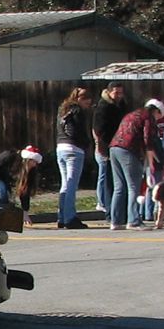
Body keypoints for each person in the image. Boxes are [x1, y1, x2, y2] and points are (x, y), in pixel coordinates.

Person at [108, 98, 164, 230]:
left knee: (119, 187)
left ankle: (115, 220)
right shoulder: (148, 117)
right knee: (133, 186)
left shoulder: (132, 114)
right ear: (156, 111)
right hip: (129, 150)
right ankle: (133, 220)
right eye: (159, 116)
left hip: (114, 148)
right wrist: (151, 163)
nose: (158, 119)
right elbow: (148, 139)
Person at [55, 88, 93, 228]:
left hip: (61, 147)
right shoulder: (77, 111)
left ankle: (61, 216)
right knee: (72, 185)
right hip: (74, 149)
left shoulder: (62, 109)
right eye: (86, 100)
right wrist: (85, 143)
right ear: (79, 99)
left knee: (65, 184)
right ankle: (70, 217)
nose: (88, 103)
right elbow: (73, 131)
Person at [92, 81, 128, 225]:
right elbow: (99, 131)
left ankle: (120, 213)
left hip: (121, 146)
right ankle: (110, 213)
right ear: (109, 92)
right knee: (109, 183)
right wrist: (104, 149)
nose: (119, 95)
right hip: (108, 148)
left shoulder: (122, 105)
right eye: (116, 92)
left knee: (120, 182)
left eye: (120, 92)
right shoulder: (103, 107)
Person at [0, 145, 41, 213]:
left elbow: (24, 190)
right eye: (33, 162)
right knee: (2, 190)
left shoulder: (29, 171)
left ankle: (4, 213)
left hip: (5, 178)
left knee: (7, 196)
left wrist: (25, 211)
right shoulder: (9, 156)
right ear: (27, 159)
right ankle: (0, 213)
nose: (34, 165)